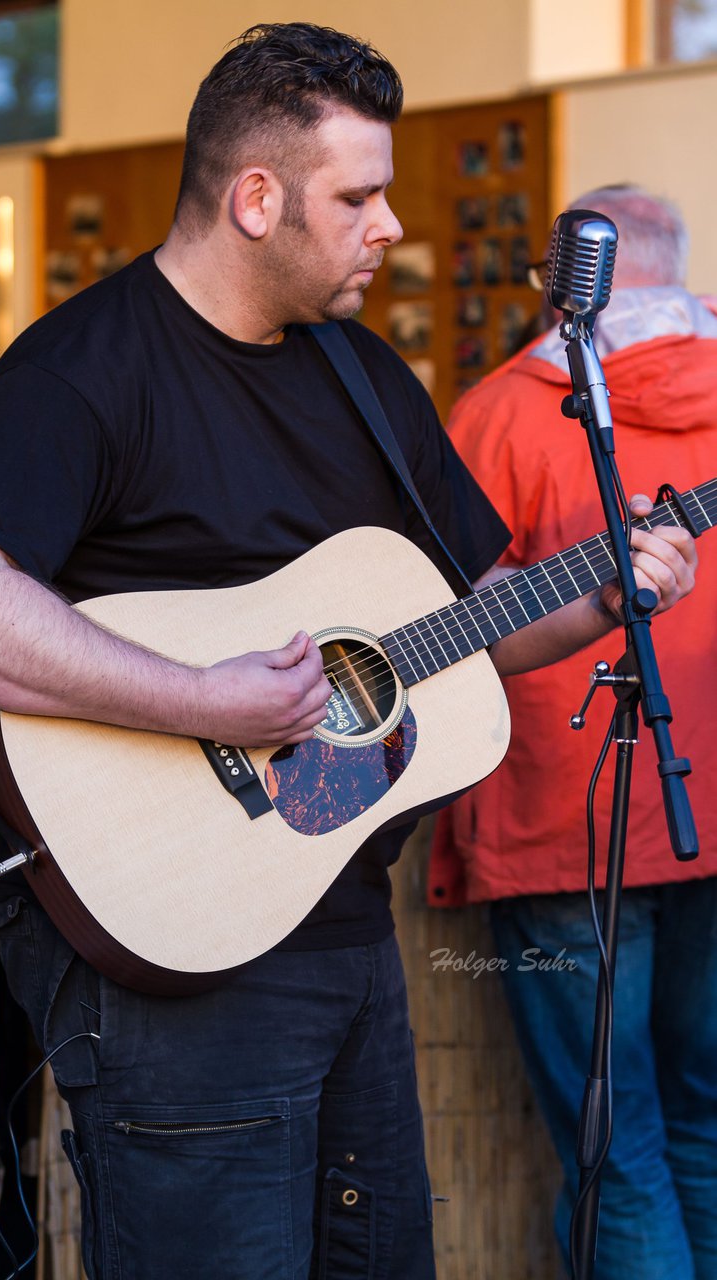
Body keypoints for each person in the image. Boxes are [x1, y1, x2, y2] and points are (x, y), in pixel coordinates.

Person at [0, 25, 696, 1275]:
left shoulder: (363, 374)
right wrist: (198, 695)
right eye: (358, 197)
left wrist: (604, 591)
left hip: (339, 932)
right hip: (172, 959)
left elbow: (476, 609)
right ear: (254, 198)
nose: (389, 227)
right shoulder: (87, 365)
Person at [429, 184, 717, 1280]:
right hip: (702, 804)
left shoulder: (501, 410)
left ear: (564, 277)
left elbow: (446, 615)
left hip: (566, 815)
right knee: (699, 1122)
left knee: (616, 1148)